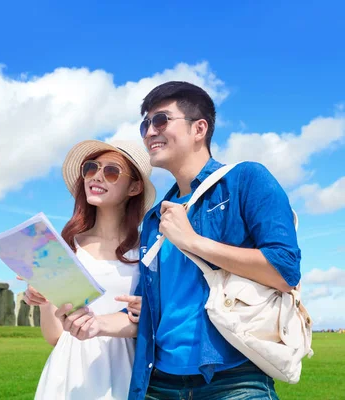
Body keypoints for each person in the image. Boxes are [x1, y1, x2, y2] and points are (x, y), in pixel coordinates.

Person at [57, 81, 302, 400]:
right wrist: (96, 325)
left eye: (160, 120)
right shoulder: (155, 218)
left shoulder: (246, 180)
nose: (148, 132)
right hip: (158, 382)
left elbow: (285, 271)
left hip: (234, 379)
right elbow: (145, 311)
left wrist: (193, 241)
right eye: (145, 124)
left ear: (199, 128)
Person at [23, 139, 156, 399]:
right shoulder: (65, 246)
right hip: (68, 373)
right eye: (91, 168)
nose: (96, 176)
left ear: (135, 187)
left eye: (111, 171)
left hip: (125, 369)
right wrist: (43, 297)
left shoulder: (149, 250)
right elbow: (55, 336)